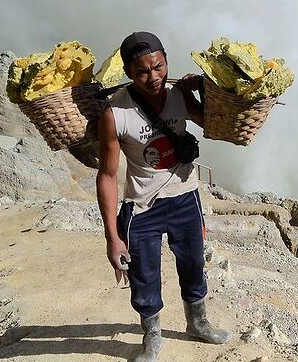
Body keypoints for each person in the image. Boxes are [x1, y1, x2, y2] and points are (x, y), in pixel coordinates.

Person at [96, 31, 231, 362]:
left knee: (193, 264)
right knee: (143, 275)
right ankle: (152, 335)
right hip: (142, 208)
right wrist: (112, 236)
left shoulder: (178, 96)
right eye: (142, 71)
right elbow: (108, 175)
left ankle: (197, 323)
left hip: (185, 197)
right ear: (128, 72)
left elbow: (215, 126)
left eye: (158, 66)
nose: (153, 76)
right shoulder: (116, 114)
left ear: (167, 61)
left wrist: (197, 91)